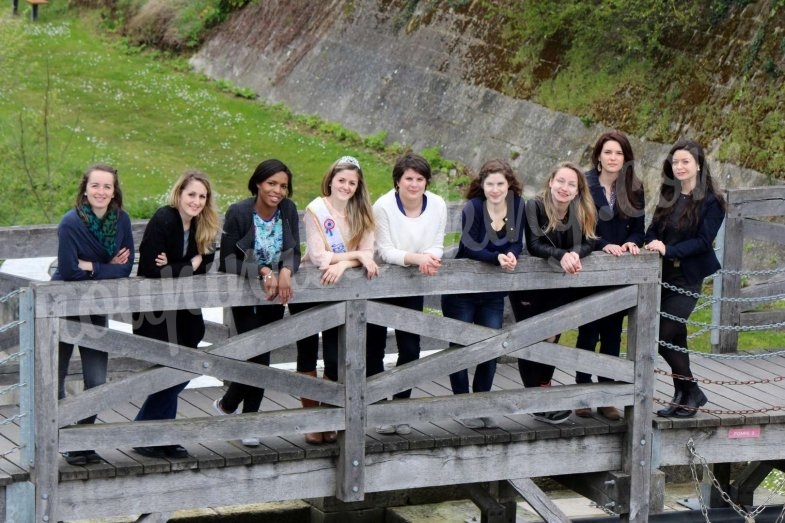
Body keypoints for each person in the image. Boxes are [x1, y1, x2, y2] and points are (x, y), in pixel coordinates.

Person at [211, 159, 300, 447]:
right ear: (259, 183)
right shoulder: (238, 212)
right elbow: (227, 260)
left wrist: (285, 271)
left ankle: (230, 406)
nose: (277, 190)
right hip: (246, 294)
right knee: (258, 356)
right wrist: (262, 271)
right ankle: (246, 417)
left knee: (262, 355)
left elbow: (294, 251)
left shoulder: (287, 210)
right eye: (272, 183)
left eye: (283, 186)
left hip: (275, 295)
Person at [131, 170, 220, 458]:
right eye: (191, 194)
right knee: (169, 372)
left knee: (185, 368)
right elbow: (151, 269)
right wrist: (188, 264)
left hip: (184, 312)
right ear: (179, 193)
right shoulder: (164, 218)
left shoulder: (202, 224)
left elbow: (206, 264)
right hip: (155, 311)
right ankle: (153, 434)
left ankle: (153, 432)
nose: (196, 201)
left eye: (202, 196)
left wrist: (179, 265)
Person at [292, 155, 379, 444]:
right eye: (341, 180)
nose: (346, 186)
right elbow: (318, 258)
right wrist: (354, 256)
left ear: (358, 186)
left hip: (340, 291)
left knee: (334, 357)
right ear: (331, 180)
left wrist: (343, 264)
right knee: (306, 354)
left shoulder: (364, 215)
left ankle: (328, 417)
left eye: (352, 182)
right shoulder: (315, 209)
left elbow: (368, 256)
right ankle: (310, 421)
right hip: (310, 289)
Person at [54, 164, 134, 465]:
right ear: (85, 189)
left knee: (97, 379)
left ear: (114, 192)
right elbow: (68, 272)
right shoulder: (70, 223)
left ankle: (82, 440)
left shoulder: (122, 220)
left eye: (107, 187)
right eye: (96, 186)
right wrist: (105, 266)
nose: (101, 192)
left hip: (96, 306)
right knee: (56, 377)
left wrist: (90, 266)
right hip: (62, 307)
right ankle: (60, 435)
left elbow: (125, 268)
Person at [510, 162, 596, 424]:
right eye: (560, 181)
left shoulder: (581, 209)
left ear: (578, 189)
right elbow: (534, 245)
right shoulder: (535, 206)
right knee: (530, 337)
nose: (565, 187)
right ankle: (536, 400)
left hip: (558, 285)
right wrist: (563, 256)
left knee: (551, 336)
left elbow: (591, 240)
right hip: (531, 284)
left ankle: (544, 391)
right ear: (550, 182)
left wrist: (574, 254)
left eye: (571, 184)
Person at [441, 159, 524, 430]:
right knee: (461, 348)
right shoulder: (474, 207)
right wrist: (497, 257)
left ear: (509, 185)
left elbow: (515, 240)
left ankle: (482, 403)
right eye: (490, 184)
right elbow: (470, 245)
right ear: (482, 184)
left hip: (492, 292)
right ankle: (463, 406)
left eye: (501, 184)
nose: (496, 189)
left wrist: (512, 254)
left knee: (490, 348)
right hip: (462, 289)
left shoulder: (517, 207)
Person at [645, 139, 725, 418]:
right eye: (675, 162)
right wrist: (653, 242)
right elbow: (652, 229)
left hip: (686, 279)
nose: (679, 167)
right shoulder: (670, 194)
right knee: (676, 336)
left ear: (698, 165)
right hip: (662, 276)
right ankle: (683, 395)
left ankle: (691, 390)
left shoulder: (712, 201)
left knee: (662, 334)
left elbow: (704, 241)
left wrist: (668, 249)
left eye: (685, 162)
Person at [368, 153, 447, 435]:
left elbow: (438, 244)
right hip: (379, 282)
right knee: (373, 349)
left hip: (413, 283)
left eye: (419, 179)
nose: (414, 184)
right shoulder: (383, 207)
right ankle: (376, 409)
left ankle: (400, 408)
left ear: (426, 182)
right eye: (408, 179)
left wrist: (430, 258)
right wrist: (419, 258)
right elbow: (386, 251)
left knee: (410, 348)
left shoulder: (437, 204)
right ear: (397, 181)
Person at [574, 132, 645, 421]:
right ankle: (581, 393)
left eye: (619, 153)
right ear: (599, 156)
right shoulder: (585, 185)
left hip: (619, 271)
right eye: (608, 152)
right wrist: (604, 245)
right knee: (587, 332)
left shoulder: (634, 189)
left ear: (625, 159)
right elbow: (580, 227)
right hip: (592, 266)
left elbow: (639, 228)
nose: (613, 158)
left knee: (613, 335)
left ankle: (606, 397)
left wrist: (632, 243)